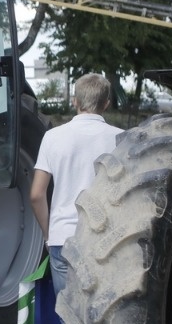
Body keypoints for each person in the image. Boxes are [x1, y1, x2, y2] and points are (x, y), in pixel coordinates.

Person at [29, 73, 123, 296]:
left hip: (63, 238)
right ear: (106, 104)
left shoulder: (52, 137)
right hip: (105, 241)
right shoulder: (122, 138)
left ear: (75, 101)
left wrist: (48, 234)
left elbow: (36, 195)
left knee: (68, 318)